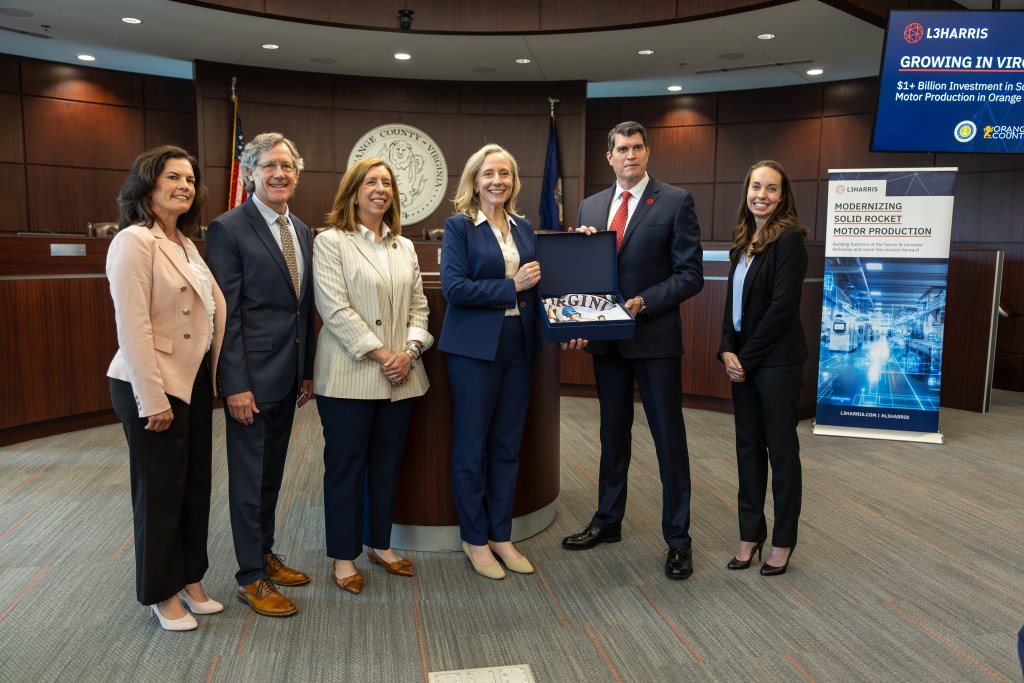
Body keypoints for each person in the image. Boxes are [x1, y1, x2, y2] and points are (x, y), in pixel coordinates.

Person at [561, 121, 704, 581]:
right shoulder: (592, 204)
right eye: (622, 148)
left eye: (638, 148)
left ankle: (678, 540)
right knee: (612, 436)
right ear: (609, 156)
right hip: (608, 343)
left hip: (654, 339)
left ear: (648, 153)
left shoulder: (676, 201)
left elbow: (690, 275)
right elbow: (586, 273)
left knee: (669, 442)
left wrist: (644, 302)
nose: (630, 155)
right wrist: (577, 310)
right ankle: (608, 521)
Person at [107, 145, 226, 631]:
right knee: (160, 491)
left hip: (194, 379)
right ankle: (161, 592)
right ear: (148, 184)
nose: (184, 186)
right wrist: (151, 399)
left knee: (195, 486)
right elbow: (131, 326)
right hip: (150, 383)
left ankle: (190, 578)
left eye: (191, 180)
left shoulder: (185, 243)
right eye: (173, 177)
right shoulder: (135, 241)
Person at [205, 132, 317, 617]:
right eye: (269, 166)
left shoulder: (304, 230)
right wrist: (235, 384)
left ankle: (265, 554)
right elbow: (223, 315)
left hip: (288, 377)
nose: (279, 174)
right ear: (250, 173)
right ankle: (250, 577)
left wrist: (307, 372)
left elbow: (303, 309)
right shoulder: (228, 228)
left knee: (271, 476)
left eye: (287, 167)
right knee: (249, 480)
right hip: (250, 380)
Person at [313, 158, 432, 594]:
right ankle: (343, 555)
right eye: (371, 182)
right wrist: (384, 354)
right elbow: (335, 308)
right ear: (353, 191)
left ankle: (380, 543)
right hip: (349, 375)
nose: (380, 189)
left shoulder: (404, 247)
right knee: (346, 466)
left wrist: (410, 351)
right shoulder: (331, 242)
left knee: (386, 464)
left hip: (401, 377)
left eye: (387, 183)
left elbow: (420, 307)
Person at [439, 143, 541, 580]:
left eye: (505, 174)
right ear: (474, 181)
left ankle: (501, 533)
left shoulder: (524, 227)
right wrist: (510, 286)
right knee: (471, 445)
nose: (497, 181)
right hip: (474, 350)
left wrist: (584, 243)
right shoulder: (459, 226)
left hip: (519, 344)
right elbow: (454, 289)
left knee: (506, 444)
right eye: (488, 174)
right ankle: (475, 538)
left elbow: (545, 280)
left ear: (514, 181)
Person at [718, 160, 808, 576]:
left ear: (782, 195)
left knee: (782, 454)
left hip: (776, 365)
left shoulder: (789, 239)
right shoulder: (744, 240)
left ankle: (783, 542)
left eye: (772, 189)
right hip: (745, 365)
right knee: (748, 452)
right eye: (756, 186)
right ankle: (750, 534)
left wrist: (746, 359)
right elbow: (731, 306)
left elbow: (781, 309)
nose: (762, 195)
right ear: (747, 190)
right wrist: (725, 351)